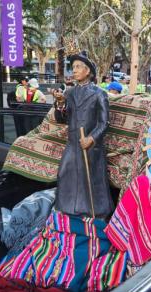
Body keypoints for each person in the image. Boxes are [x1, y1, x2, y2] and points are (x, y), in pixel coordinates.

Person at [51, 51, 113, 218]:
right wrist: (60, 103)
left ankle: (96, 212)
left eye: (78, 67)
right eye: (73, 67)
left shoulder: (99, 94)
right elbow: (61, 119)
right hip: (73, 144)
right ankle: (67, 210)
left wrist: (91, 138)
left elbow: (104, 123)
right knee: (64, 173)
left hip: (91, 147)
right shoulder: (69, 93)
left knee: (89, 180)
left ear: (88, 71)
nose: (75, 70)